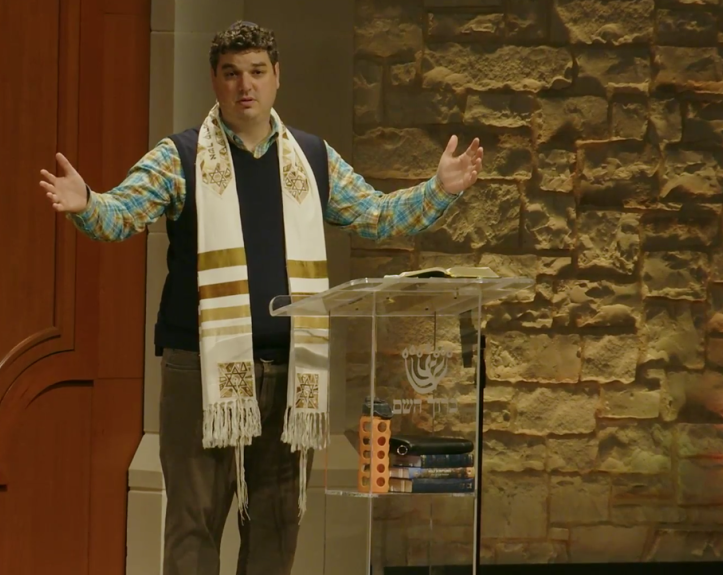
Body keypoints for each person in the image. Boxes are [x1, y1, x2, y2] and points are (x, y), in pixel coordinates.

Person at [38, 19, 482, 575]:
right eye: (230, 74)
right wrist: (87, 205)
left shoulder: (313, 159)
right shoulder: (179, 157)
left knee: (276, 527)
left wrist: (438, 189)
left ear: (277, 78)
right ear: (214, 81)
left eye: (255, 72)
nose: (244, 85)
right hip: (200, 369)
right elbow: (122, 213)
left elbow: (375, 215)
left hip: (291, 372)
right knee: (194, 525)